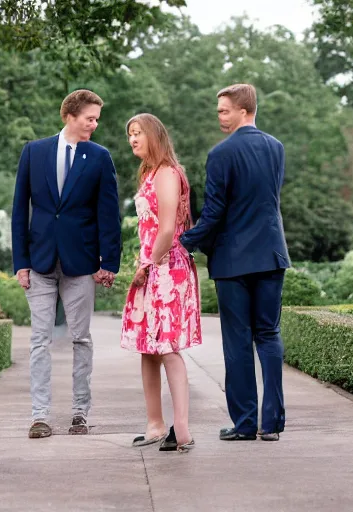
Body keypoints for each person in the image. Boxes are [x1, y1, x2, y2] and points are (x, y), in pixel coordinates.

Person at [180, 84, 289, 442]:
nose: (220, 117)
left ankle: (245, 424)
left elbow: (213, 213)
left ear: (244, 110)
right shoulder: (276, 148)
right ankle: (271, 424)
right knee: (269, 336)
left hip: (233, 261)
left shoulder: (221, 154)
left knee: (239, 342)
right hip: (271, 254)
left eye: (224, 111)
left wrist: (184, 242)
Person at [11, 89, 121, 439]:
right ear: (70, 116)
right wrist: (21, 263)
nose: (95, 124)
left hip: (82, 262)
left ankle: (79, 413)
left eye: (97, 119)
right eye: (90, 117)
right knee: (39, 340)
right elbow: (19, 211)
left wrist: (110, 262)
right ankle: (39, 416)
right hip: (39, 260)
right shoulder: (35, 152)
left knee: (81, 338)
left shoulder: (99, 156)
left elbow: (108, 213)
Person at [120, 113, 202, 453]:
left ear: (154, 135)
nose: (133, 139)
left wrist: (149, 263)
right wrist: (144, 265)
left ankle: (180, 429)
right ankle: (155, 424)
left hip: (167, 267)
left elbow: (167, 228)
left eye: (138, 133)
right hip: (150, 265)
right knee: (147, 347)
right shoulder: (148, 173)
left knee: (168, 346)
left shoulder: (168, 172)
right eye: (130, 135)